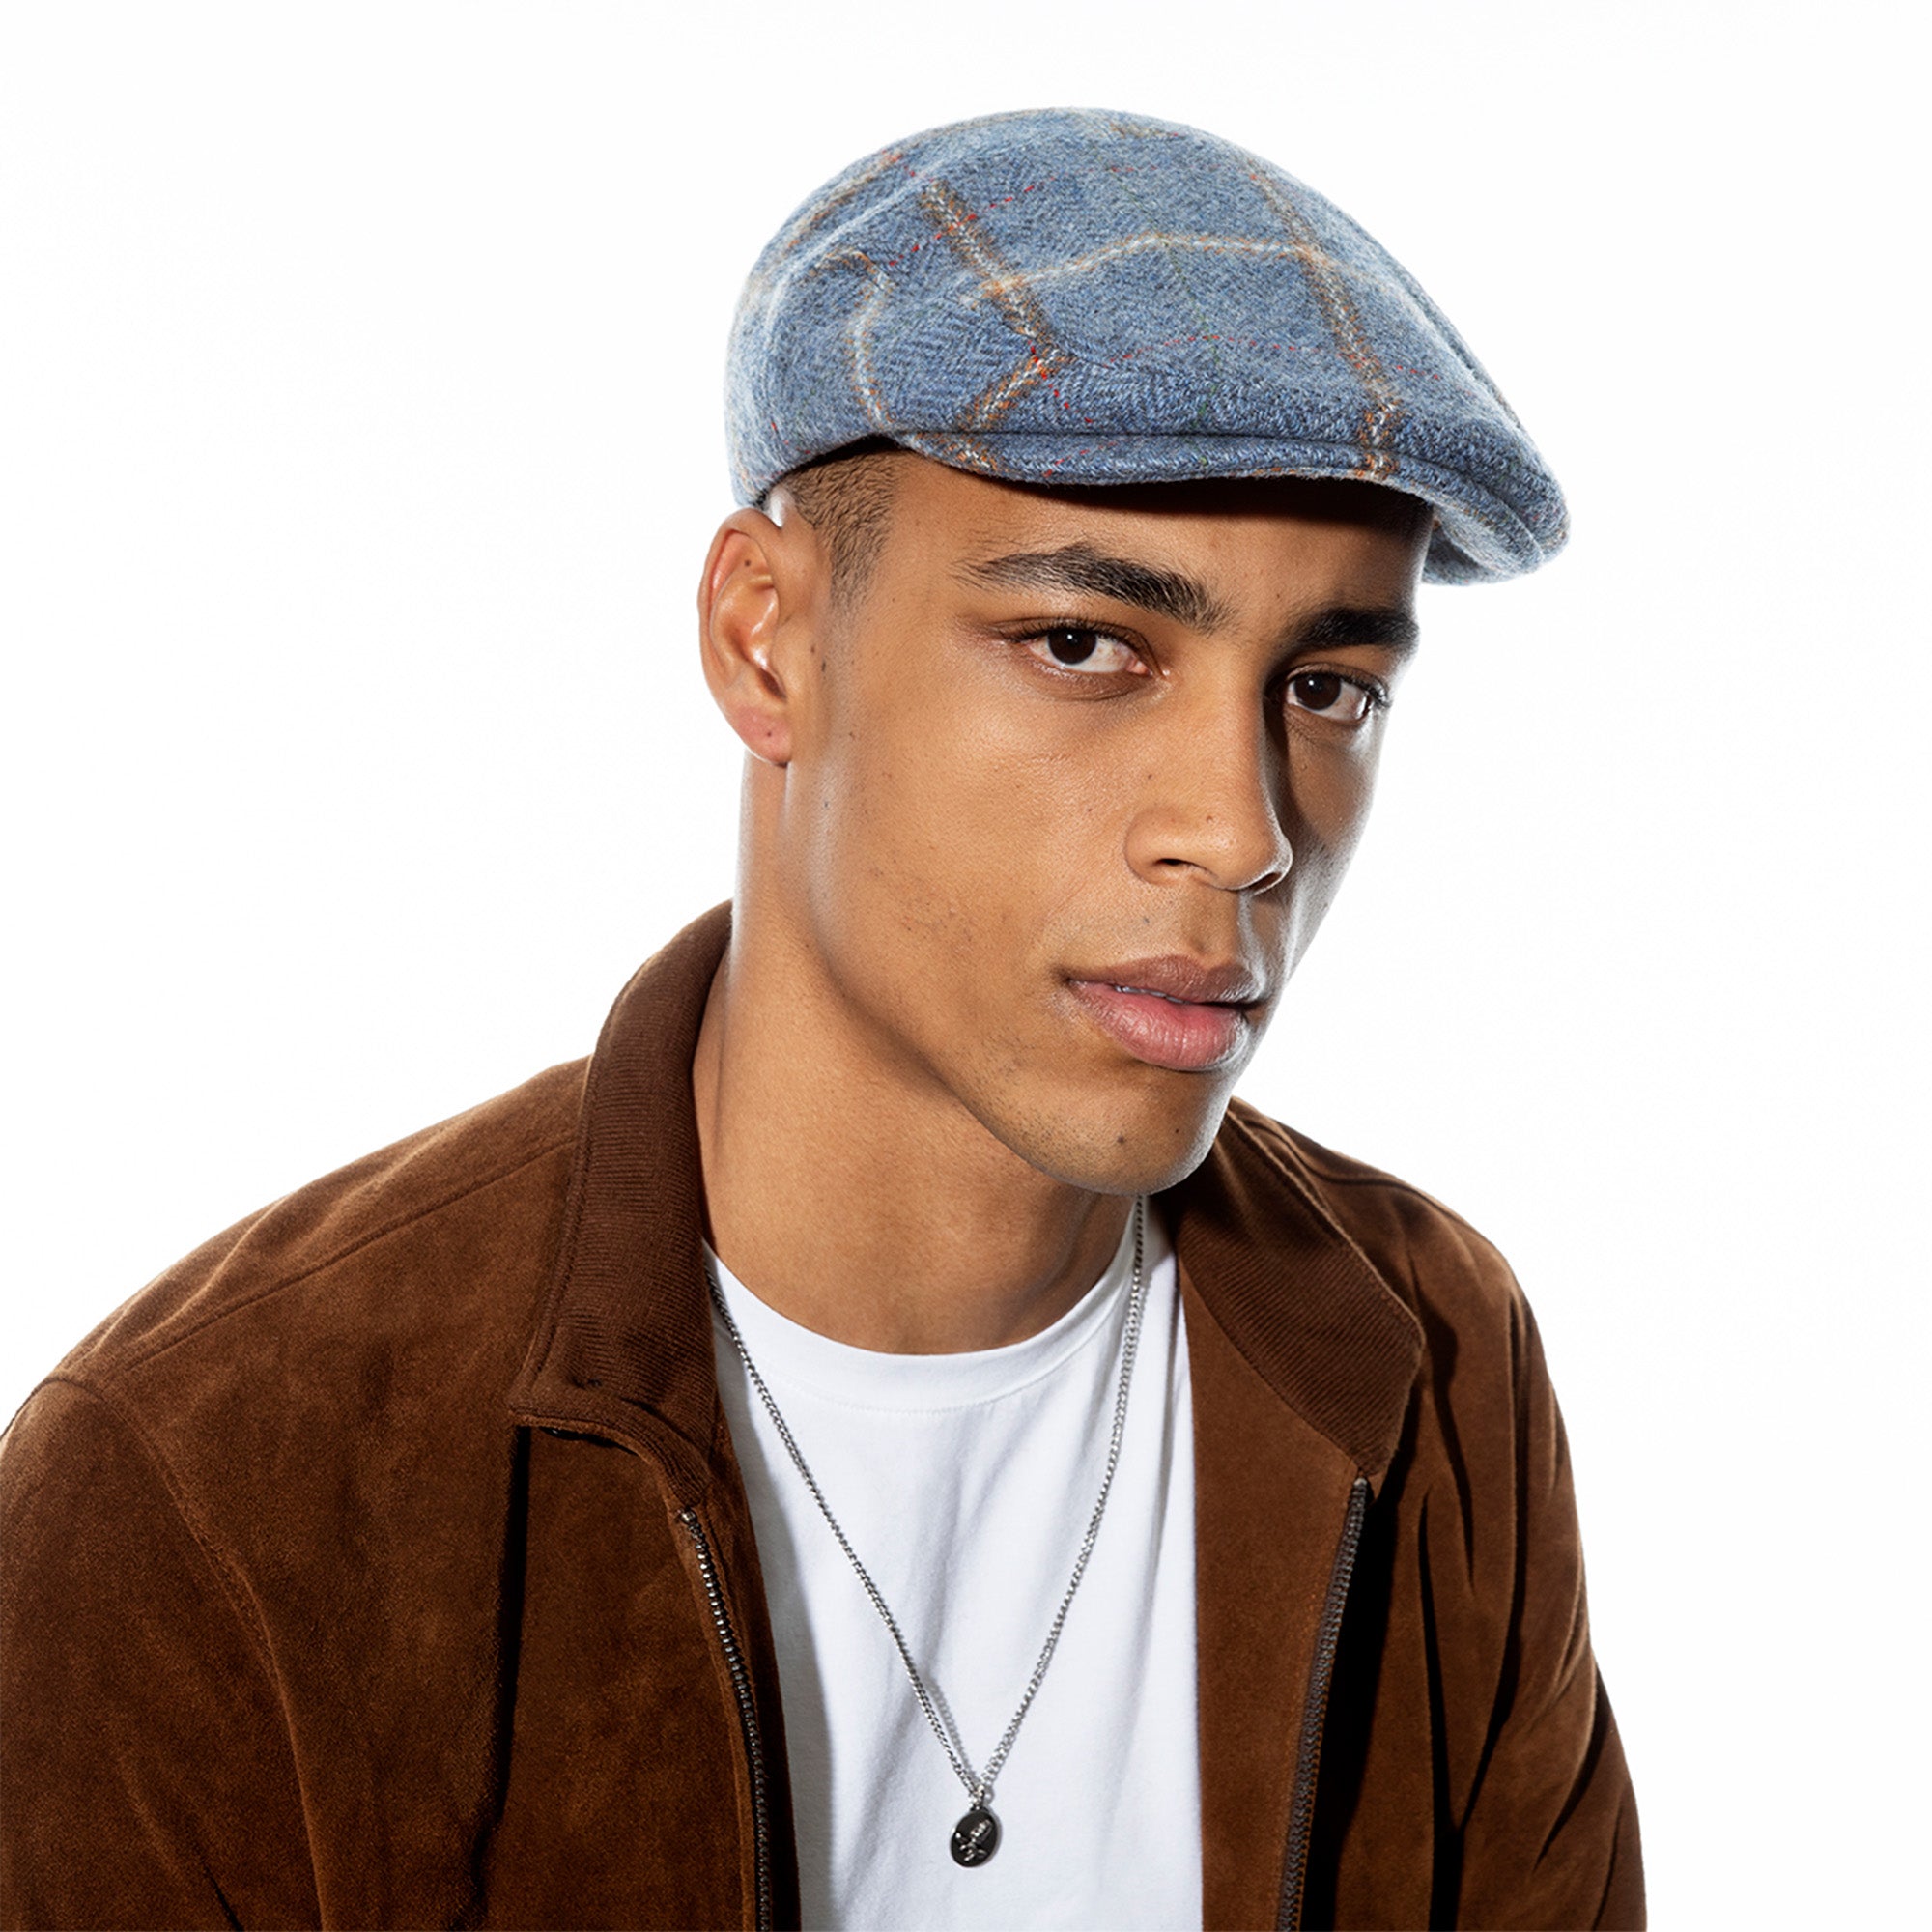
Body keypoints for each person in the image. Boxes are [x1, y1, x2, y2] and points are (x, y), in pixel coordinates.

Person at [0, 107, 1642, 1931]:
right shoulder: (213, 1477)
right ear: (764, 640)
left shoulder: (1429, 1358)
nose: (1241, 829)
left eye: (1326, 688)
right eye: (1084, 644)